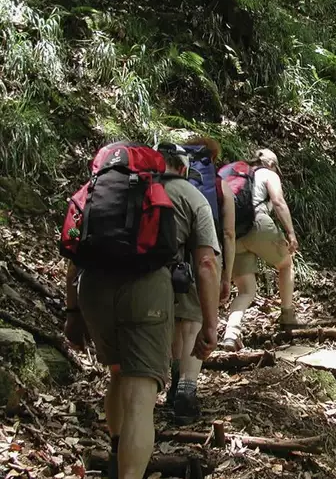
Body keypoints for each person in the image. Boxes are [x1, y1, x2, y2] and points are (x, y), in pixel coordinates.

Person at [64, 143, 220, 479]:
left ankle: (116, 455)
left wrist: (72, 312)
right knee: (140, 395)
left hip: (93, 288)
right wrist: (210, 322)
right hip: (145, 290)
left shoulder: (98, 191)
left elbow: (75, 252)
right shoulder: (192, 197)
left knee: (118, 375)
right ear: (183, 168)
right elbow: (206, 262)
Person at [166, 137, 236, 422]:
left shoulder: (159, 186)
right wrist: (226, 276)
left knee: (177, 319)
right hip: (204, 253)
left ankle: (174, 379)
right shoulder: (219, 186)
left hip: (168, 260)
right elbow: (229, 235)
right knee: (195, 321)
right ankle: (187, 388)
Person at [220, 149, 299, 351]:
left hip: (231, 232)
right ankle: (287, 314)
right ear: (271, 164)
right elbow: (279, 202)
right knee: (286, 263)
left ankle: (231, 333)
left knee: (246, 290)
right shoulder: (268, 174)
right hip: (258, 224)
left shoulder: (231, 173)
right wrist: (290, 233)